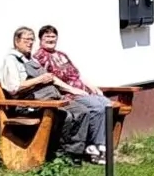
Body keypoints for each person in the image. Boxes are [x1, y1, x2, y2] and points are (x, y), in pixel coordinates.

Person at [1, 26, 107, 164]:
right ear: (17, 41)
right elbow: (13, 88)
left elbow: (55, 78)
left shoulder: (31, 59)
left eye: (32, 40)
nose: (30, 43)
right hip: (31, 104)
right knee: (66, 115)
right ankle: (63, 152)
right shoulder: (11, 61)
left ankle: (75, 152)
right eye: (26, 40)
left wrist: (73, 88)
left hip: (51, 98)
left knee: (82, 111)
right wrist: (39, 80)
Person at [33, 25, 113, 158]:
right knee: (97, 107)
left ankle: (100, 144)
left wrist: (92, 86)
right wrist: (73, 90)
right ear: (40, 39)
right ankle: (95, 146)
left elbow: (76, 75)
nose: (51, 39)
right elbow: (51, 79)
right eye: (47, 36)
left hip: (82, 90)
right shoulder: (40, 56)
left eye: (53, 36)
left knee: (107, 104)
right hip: (68, 94)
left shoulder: (62, 55)